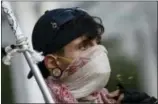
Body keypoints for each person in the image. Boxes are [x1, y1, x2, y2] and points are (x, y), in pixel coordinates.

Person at [27, 7, 157, 104]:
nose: (98, 52)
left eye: (97, 43)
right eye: (84, 46)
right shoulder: (41, 99)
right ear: (53, 63)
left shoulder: (109, 100)